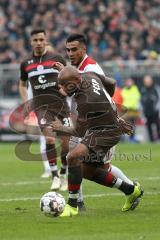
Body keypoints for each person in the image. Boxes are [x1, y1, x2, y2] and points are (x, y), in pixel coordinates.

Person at [56, 33, 136, 210]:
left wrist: (114, 117)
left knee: (97, 167)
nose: (70, 53)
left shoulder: (91, 67)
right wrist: (64, 71)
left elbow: (104, 92)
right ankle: (78, 201)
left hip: (100, 125)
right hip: (90, 122)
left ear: (84, 49)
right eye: (68, 49)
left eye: (74, 49)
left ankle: (131, 189)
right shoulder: (79, 70)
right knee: (79, 163)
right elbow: (110, 84)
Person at [51, 66, 143, 217]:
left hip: (105, 133)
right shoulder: (90, 74)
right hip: (101, 128)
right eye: (59, 84)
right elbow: (112, 83)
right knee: (86, 171)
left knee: (72, 157)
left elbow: (78, 131)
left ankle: (72, 205)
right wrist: (111, 112)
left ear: (76, 80)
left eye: (64, 85)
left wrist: (60, 127)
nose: (61, 89)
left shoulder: (85, 101)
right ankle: (131, 190)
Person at [19, 29, 70, 191]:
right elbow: (21, 84)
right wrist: (26, 102)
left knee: (66, 144)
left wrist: (66, 88)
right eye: (35, 40)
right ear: (31, 42)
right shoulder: (26, 63)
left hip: (61, 105)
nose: (39, 42)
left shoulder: (57, 58)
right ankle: (55, 176)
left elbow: (69, 76)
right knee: (49, 139)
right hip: (42, 107)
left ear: (46, 40)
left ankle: (63, 173)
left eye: (41, 39)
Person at [141, 75, 160, 141]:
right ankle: (152, 140)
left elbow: (158, 99)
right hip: (147, 112)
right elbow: (141, 100)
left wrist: (157, 108)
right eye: (146, 81)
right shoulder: (143, 90)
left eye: (148, 81)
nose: (147, 82)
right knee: (149, 126)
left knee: (157, 126)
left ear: (151, 81)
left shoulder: (155, 88)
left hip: (155, 111)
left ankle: (158, 139)